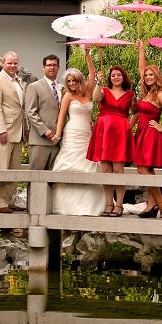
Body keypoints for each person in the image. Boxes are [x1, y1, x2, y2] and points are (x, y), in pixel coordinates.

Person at [50, 61, 106, 216]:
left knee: (89, 165)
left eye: (74, 80)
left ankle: (90, 205)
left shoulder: (89, 91)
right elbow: (62, 116)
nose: (71, 83)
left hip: (87, 134)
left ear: (80, 81)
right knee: (68, 165)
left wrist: (87, 55)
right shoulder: (67, 95)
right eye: (69, 81)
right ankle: (65, 205)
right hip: (72, 133)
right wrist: (58, 134)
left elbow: (92, 73)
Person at [133, 39, 162, 218]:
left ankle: (161, 204)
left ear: (157, 77)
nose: (147, 77)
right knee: (147, 170)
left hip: (152, 133)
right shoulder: (145, 93)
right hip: (142, 132)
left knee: (142, 169)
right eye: (146, 76)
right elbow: (141, 69)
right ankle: (151, 206)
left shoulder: (159, 94)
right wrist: (142, 51)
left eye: (151, 75)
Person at [86, 56, 136, 217]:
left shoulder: (129, 94)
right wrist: (98, 83)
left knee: (118, 169)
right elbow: (95, 99)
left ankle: (119, 205)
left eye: (118, 75)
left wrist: (130, 124)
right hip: (104, 131)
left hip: (120, 132)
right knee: (106, 169)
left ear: (123, 77)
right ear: (110, 77)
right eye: (113, 75)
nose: (116, 77)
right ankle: (109, 203)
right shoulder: (103, 91)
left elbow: (136, 112)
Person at [0, 51, 27, 213]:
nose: (13, 66)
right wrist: (1, 130)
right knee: (1, 169)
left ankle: (9, 200)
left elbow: (21, 108)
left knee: (14, 169)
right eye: (10, 63)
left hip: (18, 131)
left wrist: (26, 130)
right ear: (3, 63)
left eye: (15, 63)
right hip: (3, 132)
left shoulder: (18, 81)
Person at [25, 54, 63, 171]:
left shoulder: (63, 88)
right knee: (35, 178)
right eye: (49, 65)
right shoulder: (34, 86)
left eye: (54, 65)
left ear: (58, 67)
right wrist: (45, 130)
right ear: (43, 67)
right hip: (40, 141)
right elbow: (30, 112)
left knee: (53, 179)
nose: (52, 67)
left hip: (58, 141)